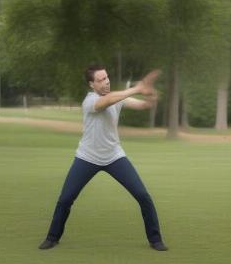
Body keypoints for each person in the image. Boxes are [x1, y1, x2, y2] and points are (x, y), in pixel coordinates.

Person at [39, 65, 168, 251]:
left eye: (106, 77)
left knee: (143, 196)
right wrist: (138, 88)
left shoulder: (117, 97)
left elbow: (143, 105)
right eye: (100, 80)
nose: (106, 81)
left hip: (114, 157)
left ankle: (155, 240)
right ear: (92, 84)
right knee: (65, 199)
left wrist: (151, 95)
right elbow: (105, 103)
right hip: (87, 157)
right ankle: (52, 237)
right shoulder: (89, 101)